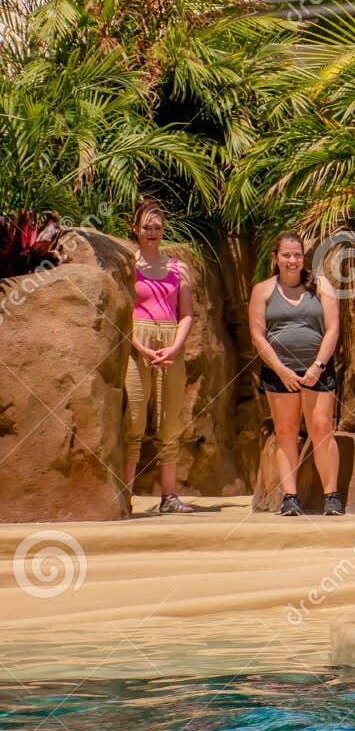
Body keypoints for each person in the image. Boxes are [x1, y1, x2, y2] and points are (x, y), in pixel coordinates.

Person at [249, 233, 343, 516]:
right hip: (279, 371)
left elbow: (333, 328)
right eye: (287, 255)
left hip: (317, 369)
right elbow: (257, 334)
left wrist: (318, 366)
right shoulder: (263, 290)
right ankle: (290, 497)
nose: (293, 261)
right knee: (285, 432)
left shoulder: (321, 285)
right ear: (276, 258)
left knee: (321, 428)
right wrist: (280, 369)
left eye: (297, 255)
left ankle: (331, 496)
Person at [123, 200, 195, 514]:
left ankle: (169, 496)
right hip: (137, 341)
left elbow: (187, 313)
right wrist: (139, 345)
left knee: (170, 422)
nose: (152, 233)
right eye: (147, 227)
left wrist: (176, 346)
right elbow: (120, 311)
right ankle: (123, 496)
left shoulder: (178, 267)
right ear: (135, 229)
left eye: (158, 227)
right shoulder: (127, 265)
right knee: (134, 421)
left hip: (170, 344)